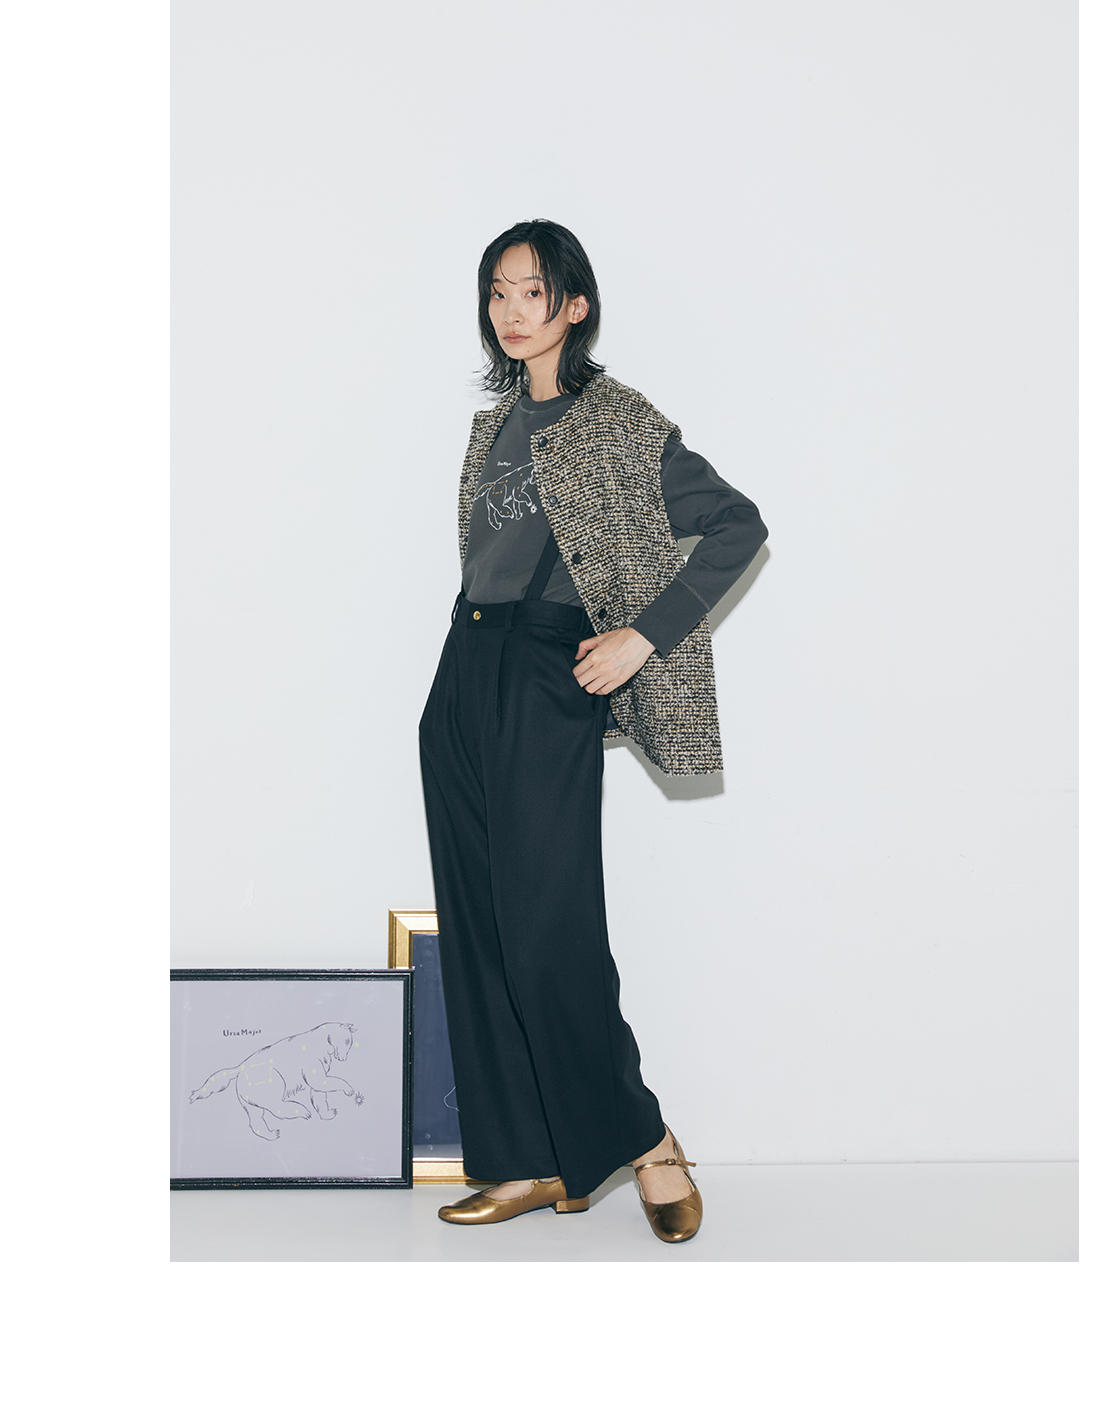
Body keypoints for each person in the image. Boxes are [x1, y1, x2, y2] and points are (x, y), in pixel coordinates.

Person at [419, 219, 767, 1242]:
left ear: (575, 305)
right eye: (498, 292)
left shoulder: (619, 421)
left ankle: (645, 1140)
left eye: (533, 291)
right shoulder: (493, 426)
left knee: (548, 931)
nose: (512, 311)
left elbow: (738, 524)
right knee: (481, 930)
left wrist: (641, 637)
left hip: (546, 675)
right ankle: (526, 1160)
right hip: (463, 671)